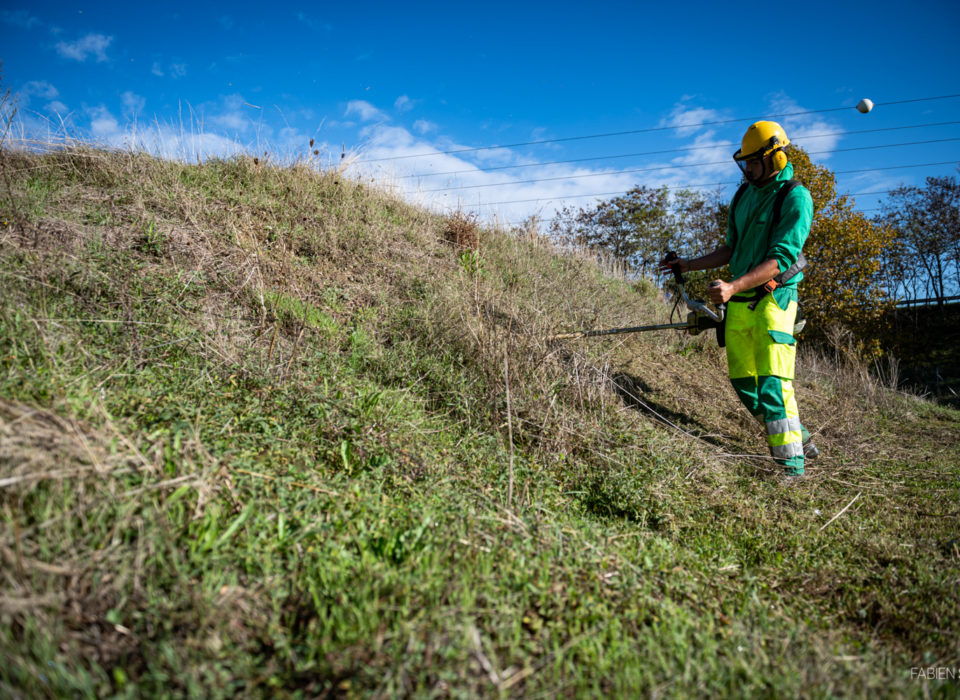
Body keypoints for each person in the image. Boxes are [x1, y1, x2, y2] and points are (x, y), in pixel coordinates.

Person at [659, 120, 818, 477]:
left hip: (774, 302)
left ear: (775, 157)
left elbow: (781, 259)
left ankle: (792, 469)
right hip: (740, 303)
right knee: (744, 382)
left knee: (774, 384)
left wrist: (731, 287)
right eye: (744, 162)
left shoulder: (795, 197)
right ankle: (800, 436)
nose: (747, 169)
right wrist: (689, 264)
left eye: (753, 162)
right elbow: (732, 248)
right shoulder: (743, 195)